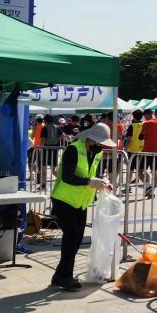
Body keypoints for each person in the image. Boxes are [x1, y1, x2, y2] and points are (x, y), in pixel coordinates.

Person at [50, 121, 114, 291]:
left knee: (76, 239)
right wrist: (89, 182)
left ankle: (60, 274)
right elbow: (67, 177)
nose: (101, 147)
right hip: (63, 200)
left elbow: (92, 173)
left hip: (81, 202)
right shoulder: (73, 149)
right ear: (90, 139)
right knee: (71, 237)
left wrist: (102, 182)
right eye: (99, 143)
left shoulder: (96, 153)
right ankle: (66, 276)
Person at [139, 109, 157, 195]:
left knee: (140, 171)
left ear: (146, 115)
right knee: (154, 171)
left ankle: (148, 186)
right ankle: (151, 191)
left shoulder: (146, 123)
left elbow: (140, 137)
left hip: (147, 150)